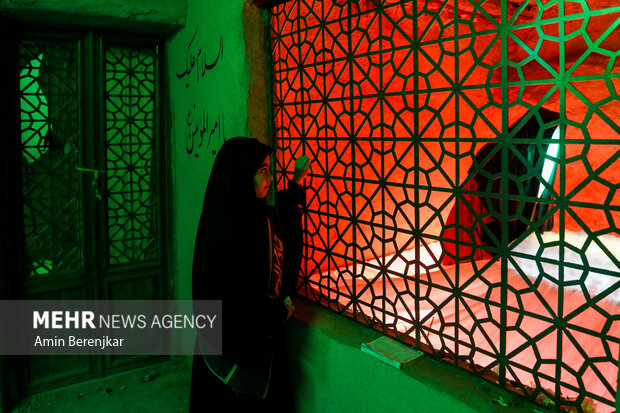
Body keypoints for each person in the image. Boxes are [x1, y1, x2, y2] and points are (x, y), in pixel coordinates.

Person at [189, 137, 309, 411]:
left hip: (261, 344)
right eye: (261, 170)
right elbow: (233, 300)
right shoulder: (222, 232)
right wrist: (275, 312)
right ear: (241, 174)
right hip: (231, 353)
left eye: (269, 169)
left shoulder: (260, 215)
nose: (268, 177)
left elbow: (284, 234)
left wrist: (296, 184)